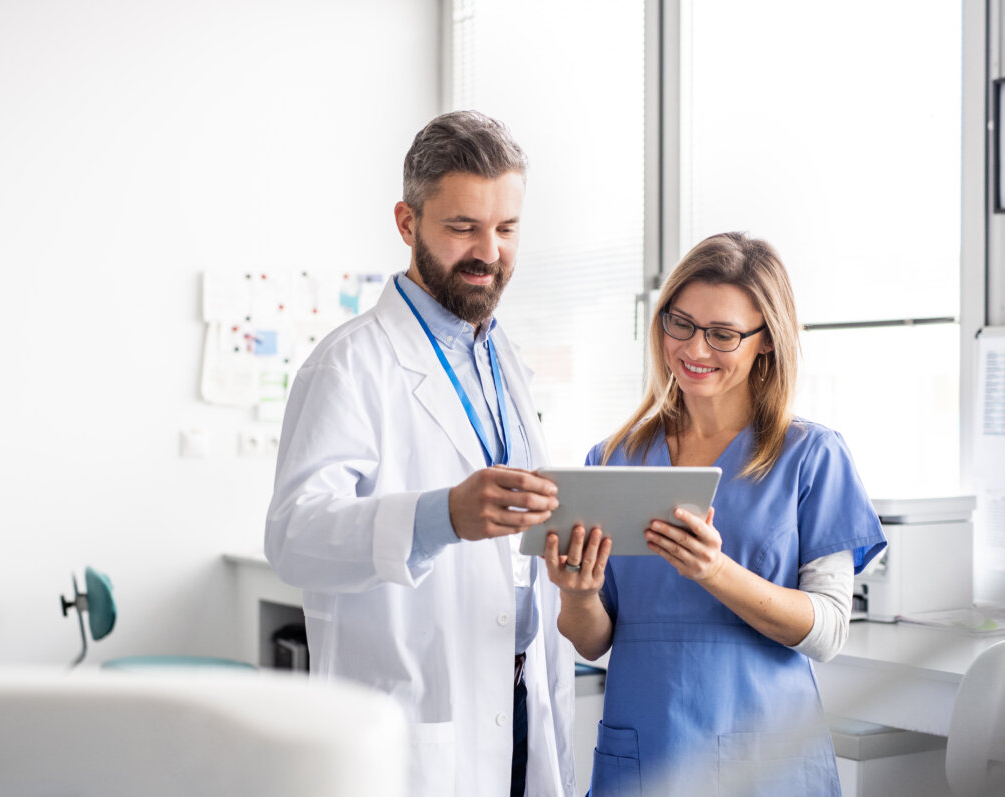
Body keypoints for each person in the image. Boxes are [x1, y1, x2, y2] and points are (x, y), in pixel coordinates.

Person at [265, 111, 576, 797]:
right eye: (463, 226)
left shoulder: (505, 362)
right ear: (408, 223)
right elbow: (293, 536)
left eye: (506, 228)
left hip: (521, 702)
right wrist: (443, 516)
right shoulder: (351, 364)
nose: (488, 251)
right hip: (418, 727)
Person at [543, 232, 886, 797]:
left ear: (766, 342)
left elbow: (826, 632)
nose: (695, 350)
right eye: (680, 324)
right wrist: (578, 594)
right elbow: (592, 641)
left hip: (767, 759)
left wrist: (714, 571)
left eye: (723, 334)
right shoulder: (612, 459)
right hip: (644, 754)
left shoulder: (811, 456)